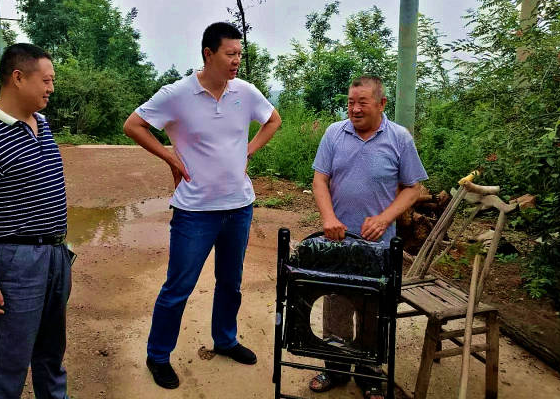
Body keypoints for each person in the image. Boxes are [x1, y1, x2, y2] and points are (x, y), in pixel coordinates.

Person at [124, 22, 281, 389]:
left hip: (239, 206)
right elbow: (134, 125)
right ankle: (158, 355)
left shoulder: (245, 91)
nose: (236, 61)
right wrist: (171, 160)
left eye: (240, 54)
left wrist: (248, 151)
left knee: (231, 282)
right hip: (194, 212)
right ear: (208, 54)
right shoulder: (177, 94)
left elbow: (273, 120)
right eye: (230, 54)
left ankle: (225, 340)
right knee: (178, 286)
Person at [0, 43, 72, 399]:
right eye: (46, 80)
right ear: (18, 78)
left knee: (51, 356)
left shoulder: (42, 123)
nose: (51, 88)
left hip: (55, 255)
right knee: (9, 365)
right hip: (14, 263)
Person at [308, 75, 427, 398]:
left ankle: (369, 372)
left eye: (362, 102)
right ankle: (334, 367)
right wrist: (329, 217)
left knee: (374, 308)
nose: (355, 109)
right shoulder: (335, 133)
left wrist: (386, 217)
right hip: (337, 241)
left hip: (379, 245)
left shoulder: (399, 139)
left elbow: (413, 188)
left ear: (381, 104)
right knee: (336, 304)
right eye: (350, 102)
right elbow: (320, 180)